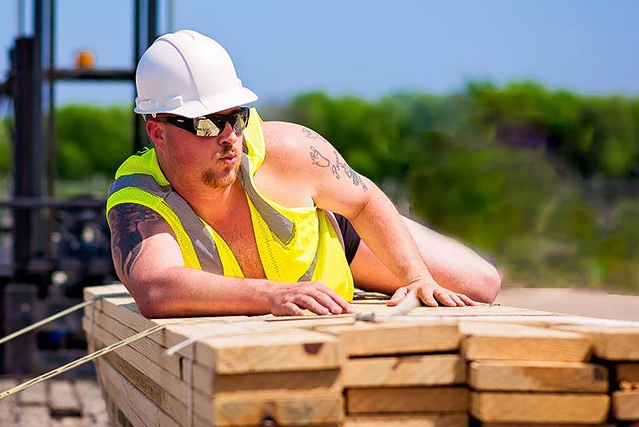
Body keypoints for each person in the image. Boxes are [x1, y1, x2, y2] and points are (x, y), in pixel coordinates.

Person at [106, 30, 501, 318]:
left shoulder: (288, 149)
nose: (229, 137)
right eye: (206, 124)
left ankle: (362, 277)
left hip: (339, 235)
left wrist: (415, 277)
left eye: (236, 117)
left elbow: (363, 200)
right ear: (157, 131)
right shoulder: (140, 198)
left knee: (482, 284)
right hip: (285, 285)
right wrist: (272, 295)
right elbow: (155, 287)